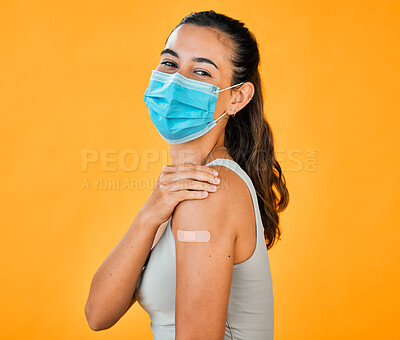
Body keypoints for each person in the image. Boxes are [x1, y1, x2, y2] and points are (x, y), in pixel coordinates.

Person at [85, 10, 289, 340]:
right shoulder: (177, 190)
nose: (177, 81)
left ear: (237, 97)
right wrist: (150, 212)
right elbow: (97, 314)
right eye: (169, 63)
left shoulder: (209, 191)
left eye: (201, 71)